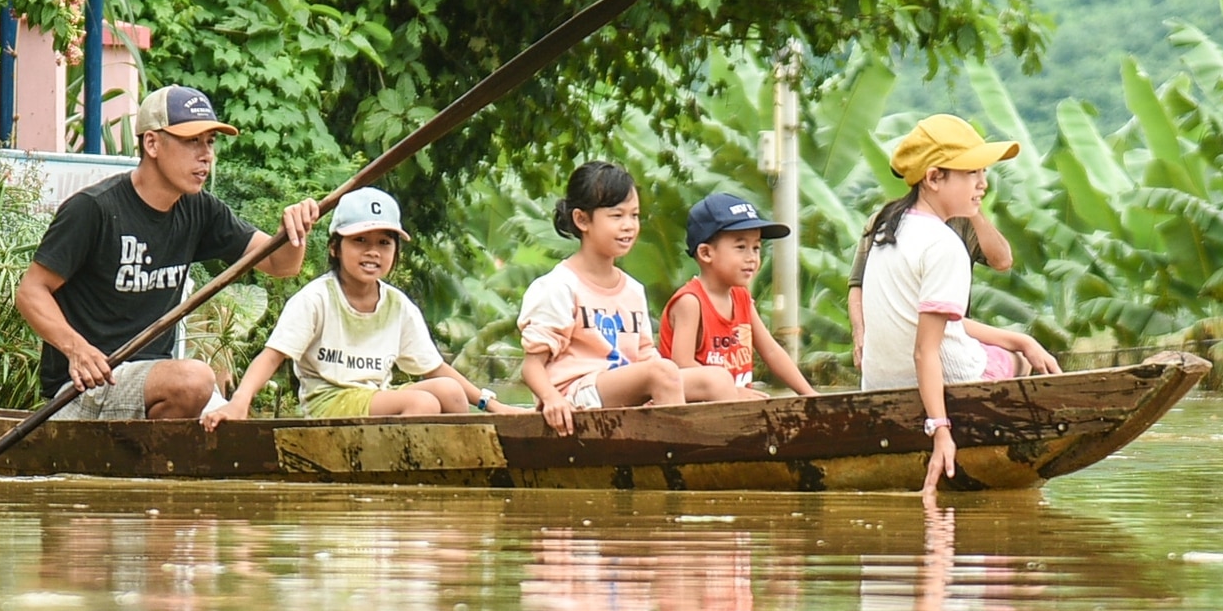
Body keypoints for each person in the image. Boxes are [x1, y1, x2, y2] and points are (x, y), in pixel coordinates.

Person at [15, 85, 322, 419]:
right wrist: (77, 349)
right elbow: (31, 291)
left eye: (210, 142)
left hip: (152, 384)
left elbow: (281, 264)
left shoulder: (200, 210)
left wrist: (295, 230)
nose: (206, 155)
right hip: (84, 389)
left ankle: (147, 462)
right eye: (192, 141)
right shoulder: (94, 209)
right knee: (194, 379)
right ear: (152, 143)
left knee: (230, 421)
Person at [857, 115, 1061, 494]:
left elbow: (930, 325)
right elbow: (925, 351)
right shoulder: (943, 243)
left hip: (879, 384)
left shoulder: (888, 228)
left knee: (1014, 348)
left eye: (983, 172)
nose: (983, 184)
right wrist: (940, 430)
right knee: (1013, 362)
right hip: (950, 382)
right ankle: (999, 457)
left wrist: (1020, 338)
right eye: (971, 173)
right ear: (934, 178)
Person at [201, 187, 522, 424]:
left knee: (449, 391)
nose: (373, 252)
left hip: (372, 398)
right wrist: (239, 403)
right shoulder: (317, 298)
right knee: (421, 402)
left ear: (395, 252)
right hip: (328, 404)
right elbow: (272, 356)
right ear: (335, 248)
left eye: (384, 243)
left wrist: (491, 405)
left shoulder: (398, 305)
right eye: (360, 241)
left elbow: (435, 367)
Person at [519, 161, 743, 436]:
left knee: (716, 378)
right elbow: (531, 366)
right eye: (617, 216)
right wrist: (552, 398)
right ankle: (683, 454)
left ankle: (732, 453)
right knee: (660, 372)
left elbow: (645, 356)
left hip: (625, 389)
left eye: (634, 215)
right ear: (582, 220)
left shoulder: (633, 290)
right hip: (575, 395)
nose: (629, 226)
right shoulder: (559, 286)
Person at [658, 192, 818, 398]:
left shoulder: (741, 297)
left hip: (734, 408)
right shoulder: (691, 302)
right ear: (706, 253)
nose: (751, 257)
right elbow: (682, 366)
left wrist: (809, 394)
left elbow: (771, 351)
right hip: (694, 412)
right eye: (741, 247)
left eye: (756, 247)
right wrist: (731, 392)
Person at [848, 199, 1011, 372]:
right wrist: (859, 333)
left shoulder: (962, 222)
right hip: (925, 342)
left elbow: (1002, 260)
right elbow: (858, 285)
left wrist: (973, 208)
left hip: (949, 335)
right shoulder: (885, 222)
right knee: (1018, 359)